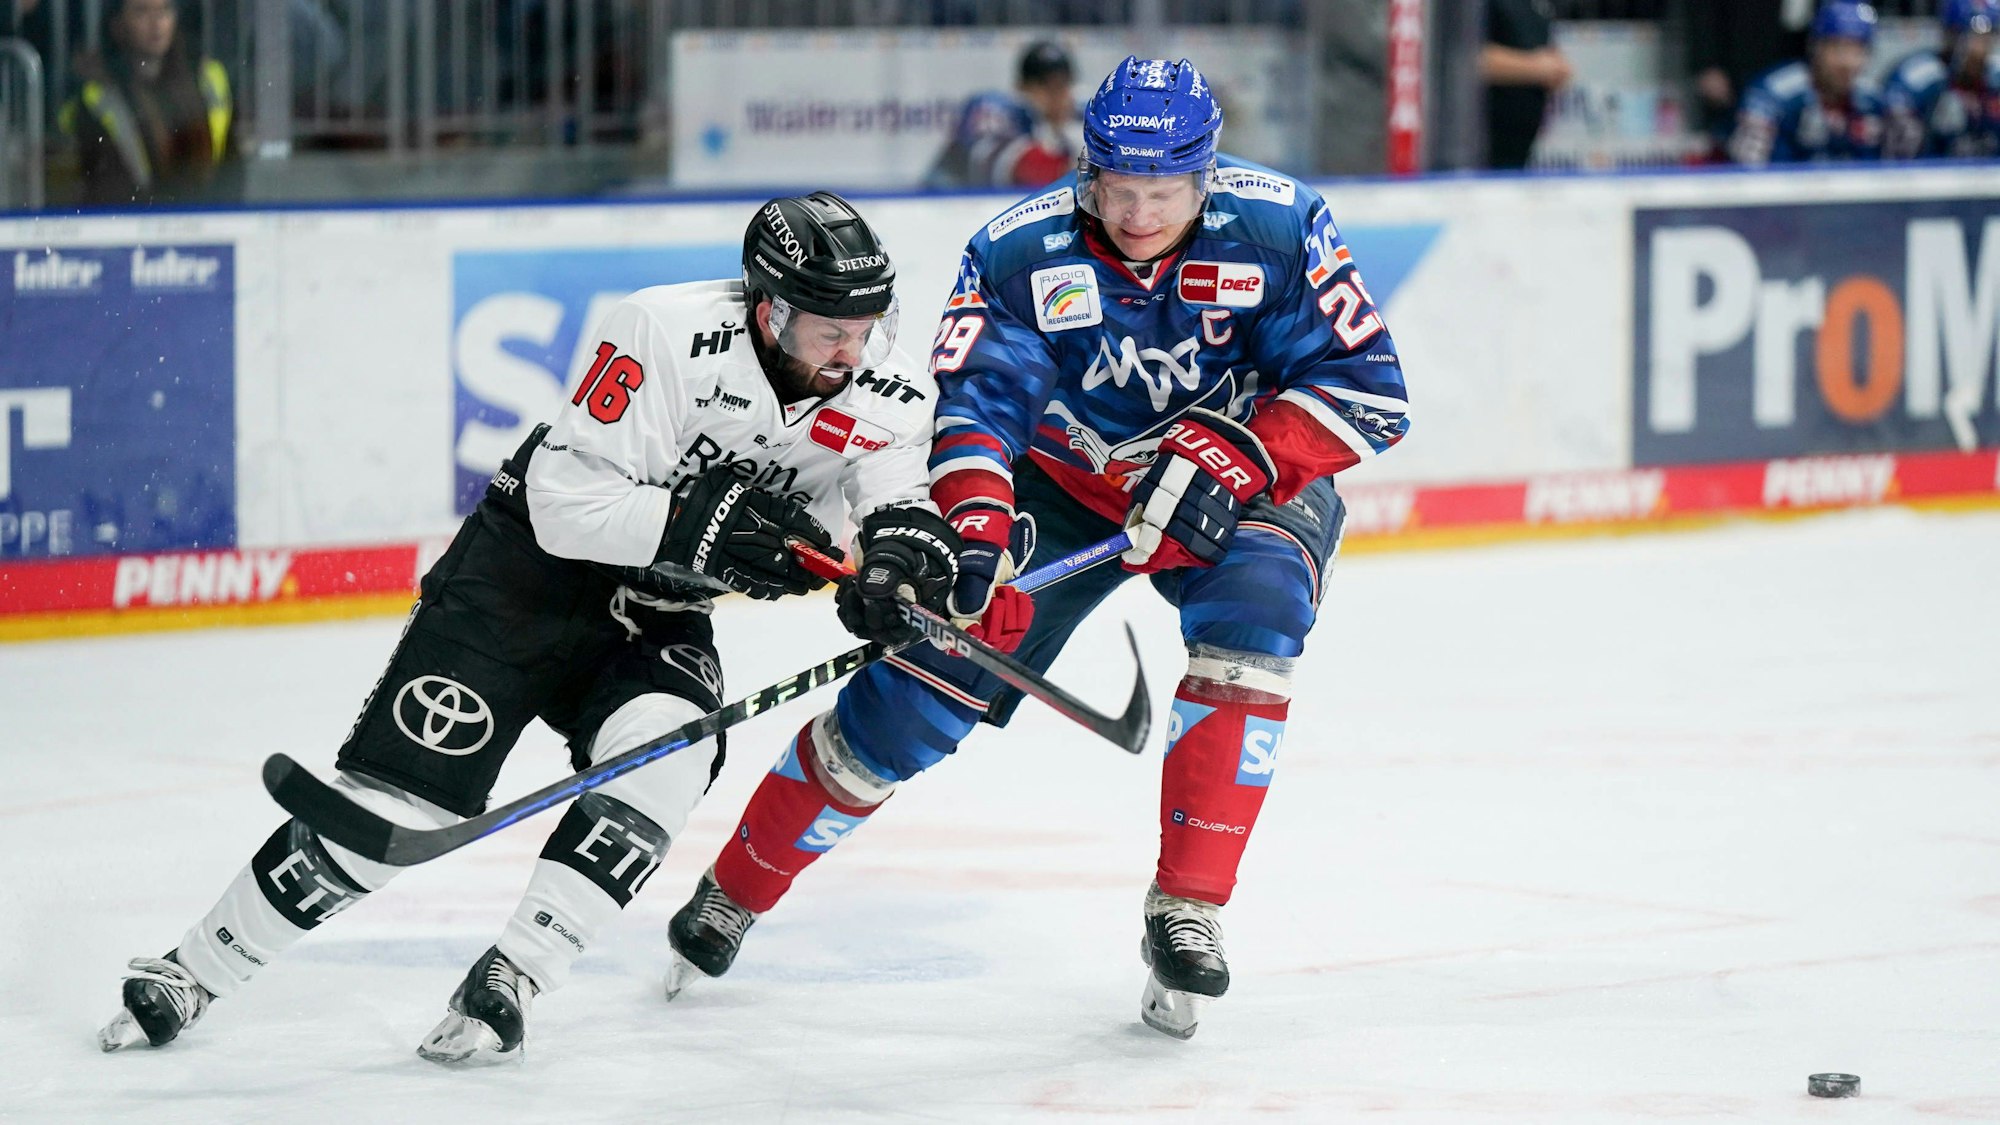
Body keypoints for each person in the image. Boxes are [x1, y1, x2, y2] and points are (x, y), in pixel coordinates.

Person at [97, 192, 969, 1063]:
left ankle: (513, 973)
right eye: (830, 332)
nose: (853, 353)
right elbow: (562, 504)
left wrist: (896, 570)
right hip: (522, 577)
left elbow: (896, 505)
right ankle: (194, 968)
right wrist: (690, 524)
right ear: (770, 310)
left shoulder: (888, 387)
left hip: (657, 610)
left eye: (867, 328)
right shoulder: (663, 332)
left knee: (670, 753)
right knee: (400, 804)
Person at [660, 56, 1411, 1040]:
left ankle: (1188, 906)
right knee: (917, 697)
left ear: (1207, 175)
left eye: (1164, 192)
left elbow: (1367, 387)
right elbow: (977, 410)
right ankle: (737, 886)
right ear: (1087, 168)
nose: (1137, 214)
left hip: (1236, 477)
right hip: (1056, 489)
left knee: (1259, 613)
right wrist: (975, 535)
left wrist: (1245, 453)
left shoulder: (1281, 226)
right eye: (1119, 188)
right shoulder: (1018, 252)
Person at [58, 0, 237, 206]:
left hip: (211, 212)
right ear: (117, 24)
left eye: (165, 10)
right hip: (133, 215)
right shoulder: (97, 95)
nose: (156, 23)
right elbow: (104, 184)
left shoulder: (207, 78)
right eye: (141, 12)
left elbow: (232, 165)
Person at [1728, 1, 1885, 166]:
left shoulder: (1872, 101)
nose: (1847, 62)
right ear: (1816, 48)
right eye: (1838, 49)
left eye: (1858, 51)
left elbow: (1883, 171)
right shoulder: (1773, 94)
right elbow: (1747, 172)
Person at [925, 39, 1078, 190]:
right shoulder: (996, 108)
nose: (1061, 97)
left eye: (1065, 86)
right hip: (938, 201)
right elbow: (1012, 165)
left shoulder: (1058, 136)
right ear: (1022, 87)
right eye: (1051, 87)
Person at [1687, 0, 1815, 155]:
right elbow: (1703, 9)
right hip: (1743, 54)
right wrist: (1706, 61)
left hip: (1802, 56)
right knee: (1736, 140)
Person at [1883, 0, 2000, 160]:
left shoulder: (1994, 78)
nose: (1979, 49)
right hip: (1929, 171)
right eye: (1972, 38)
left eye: (1986, 38)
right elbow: (1896, 152)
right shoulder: (1919, 76)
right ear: (1950, 36)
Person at [1479, 0, 1572, 169]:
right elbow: (1461, 56)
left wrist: (1555, 67)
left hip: (1520, 145)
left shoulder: (1535, 6)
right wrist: (1536, 68)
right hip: (1482, 143)